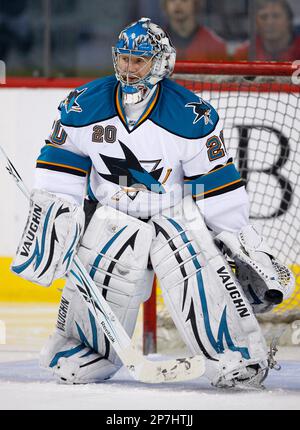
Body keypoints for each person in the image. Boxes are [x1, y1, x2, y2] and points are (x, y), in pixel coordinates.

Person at [11, 18, 294, 388]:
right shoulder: (84, 104)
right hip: (112, 214)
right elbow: (60, 167)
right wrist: (57, 217)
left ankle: (234, 355)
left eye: (139, 61)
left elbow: (217, 187)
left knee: (197, 268)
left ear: (160, 63)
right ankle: (88, 349)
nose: (129, 68)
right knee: (107, 260)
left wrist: (238, 240)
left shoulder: (189, 115)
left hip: (173, 213)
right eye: (124, 59)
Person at [234, 0, 300, 61]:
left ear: (289, 20)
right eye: (263, 17)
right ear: (256, 22)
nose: (270, 22)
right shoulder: (244, 52)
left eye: (276, 16)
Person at [162, 0, 227, 61]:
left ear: (195, 3)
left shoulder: (215, 46)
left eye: (184, 0)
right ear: (165, 4)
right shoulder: (154, 44)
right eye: (172, 0)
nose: (178, 3)